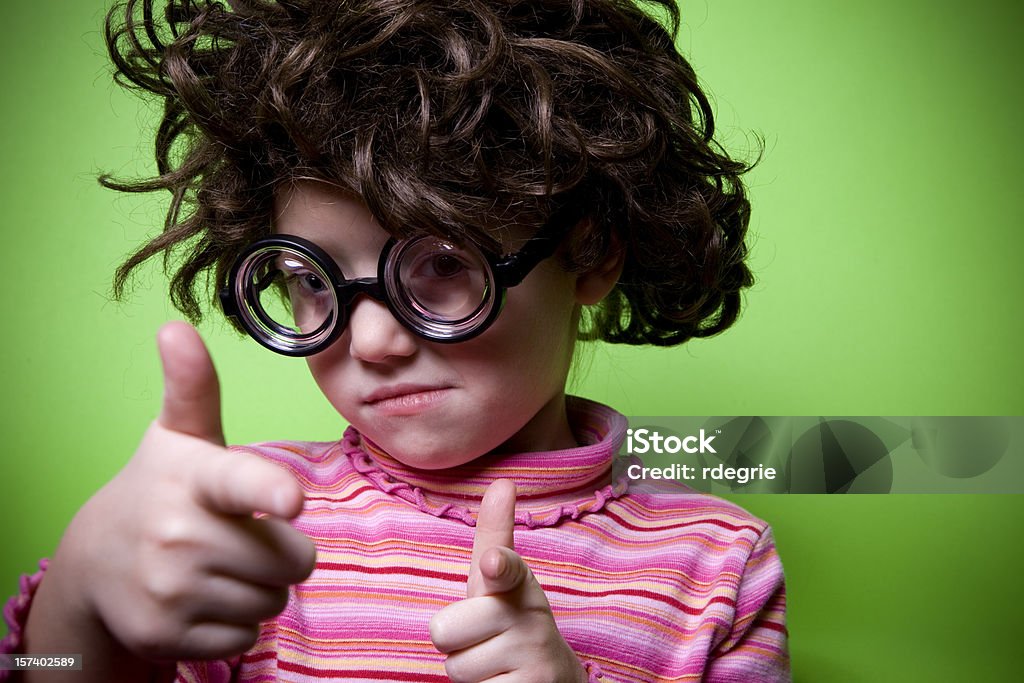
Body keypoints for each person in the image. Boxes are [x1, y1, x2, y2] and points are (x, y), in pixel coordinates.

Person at [2, 0, 789, 680]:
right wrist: (77, 598)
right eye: (313, 281)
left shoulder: (717, 564)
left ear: (590, 250)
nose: (372, 339)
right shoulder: (248, 515)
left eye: (442, 263)